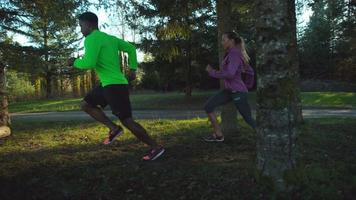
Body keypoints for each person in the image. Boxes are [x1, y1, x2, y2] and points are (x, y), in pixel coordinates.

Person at [68, 12, 165, 161]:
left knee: (127, 120)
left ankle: (156, 147)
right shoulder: (109, 38)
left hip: (114, 86)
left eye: (80, 26)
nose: (80, 30)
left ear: (88, 24)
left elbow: (88, 63)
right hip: (107, 84)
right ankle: (113, 128)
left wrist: (74, 62)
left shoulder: (91, 38)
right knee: (86, 104)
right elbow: (131, 49)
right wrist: (132, 69)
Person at [203, 31, 256, 142]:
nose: (222, 42)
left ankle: (268, 137)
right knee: (208, 106)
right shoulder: (232, 54)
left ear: (231, 41)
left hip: (237, 92)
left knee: (248, 119)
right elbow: (250, 71)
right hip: (229, 91)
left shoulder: (234, 54)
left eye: (224, 40)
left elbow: (230, 74)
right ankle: (218, 134)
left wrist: (212, 72)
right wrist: (248, 86)